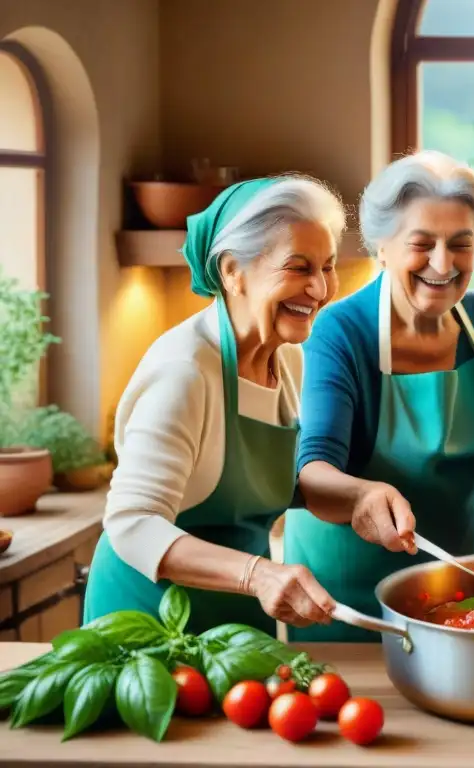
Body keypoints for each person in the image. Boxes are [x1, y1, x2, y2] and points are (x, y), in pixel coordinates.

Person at [83, 175, 346, 635]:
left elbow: (259, 485)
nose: (320, 289)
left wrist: (357, 497)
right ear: (231, 271)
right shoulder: (184, 372)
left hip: (232, 621)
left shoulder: (287, 359)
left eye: (327, 266)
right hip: (145, 621)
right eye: (298, 267)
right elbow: (132, 523)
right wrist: (258, 573)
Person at [286, 150, 474, 642]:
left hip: (465, 585)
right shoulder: (340, 332)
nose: (442, 263)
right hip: (351, 599)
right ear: (381, 248)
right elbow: (313, 470)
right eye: (422, 243)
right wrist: (363, 493)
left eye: (460, 244)